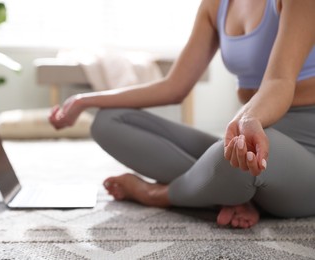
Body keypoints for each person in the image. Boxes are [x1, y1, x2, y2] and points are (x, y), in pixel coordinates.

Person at [49, 0, 315, 229]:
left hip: (306, 148)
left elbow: (279, 82)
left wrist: (246, 120)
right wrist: (84, 101)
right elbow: (174, 87)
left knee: (235, 157)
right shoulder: (216, 5)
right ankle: (230, 193)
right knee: (108, 121)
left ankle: (157, 193)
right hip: (257, 131)